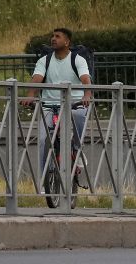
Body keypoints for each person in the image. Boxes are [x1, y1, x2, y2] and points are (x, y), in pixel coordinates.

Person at [24, 27, 93, 179]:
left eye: (58, 36)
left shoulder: (77, 60)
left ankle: (77, 149)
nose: (53, 39)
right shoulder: (45, 60)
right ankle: (44, 178)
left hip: (74, 103)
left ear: (67, 42)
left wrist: (87, 94)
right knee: (43, 140)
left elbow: (85, 79)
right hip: (49, 105)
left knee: (79, 115)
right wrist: (30, 95)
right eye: (52, 36)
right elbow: (37, 78)